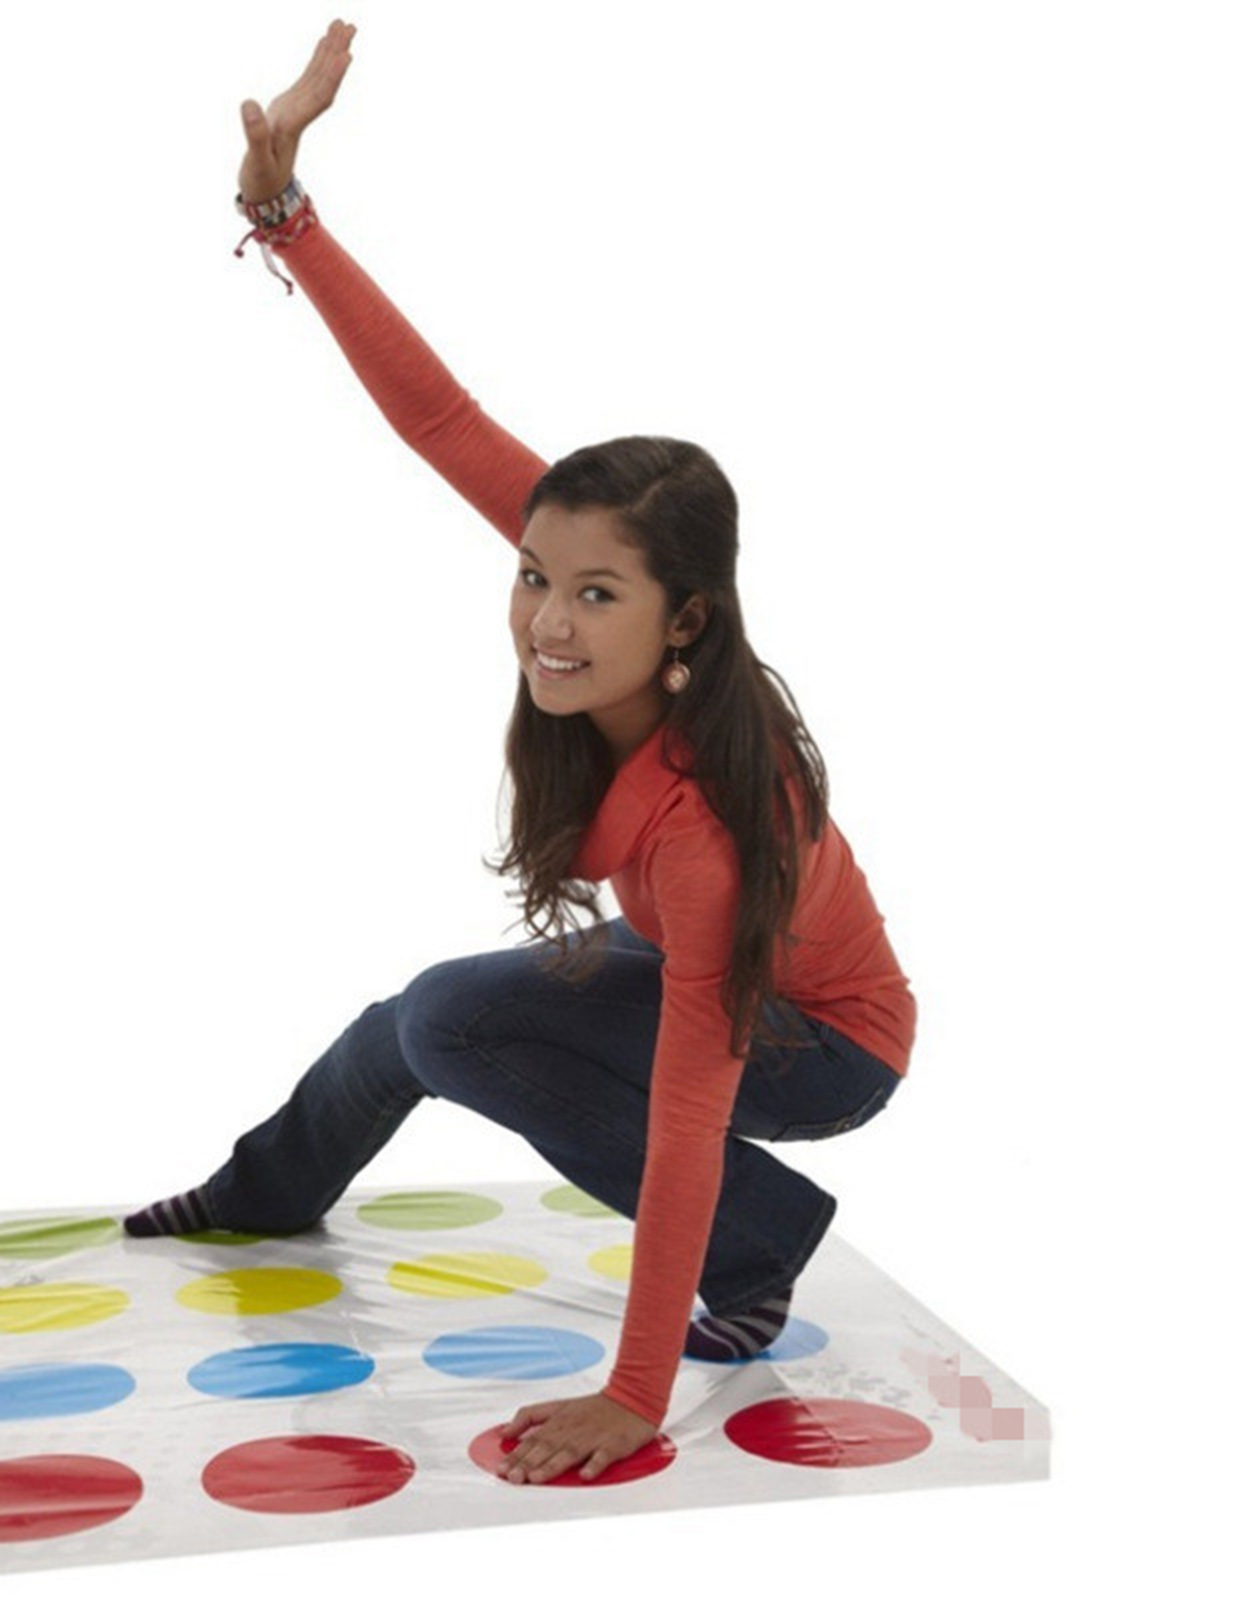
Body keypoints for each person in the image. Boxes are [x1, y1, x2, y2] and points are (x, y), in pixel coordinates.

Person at [125, 19, 915, 1487]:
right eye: (536, 575)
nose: (547, 621)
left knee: (455, 1028)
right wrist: (284, 211)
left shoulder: (714, 830)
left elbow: (685, 1112)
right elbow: (437, 414)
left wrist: (632, 1390)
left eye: (594, 595)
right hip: (699, 966)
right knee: (417, 1015)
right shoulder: (603, 605)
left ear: (685, 616)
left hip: (824, 1046)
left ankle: (761, 1239)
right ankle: (262, 1193)